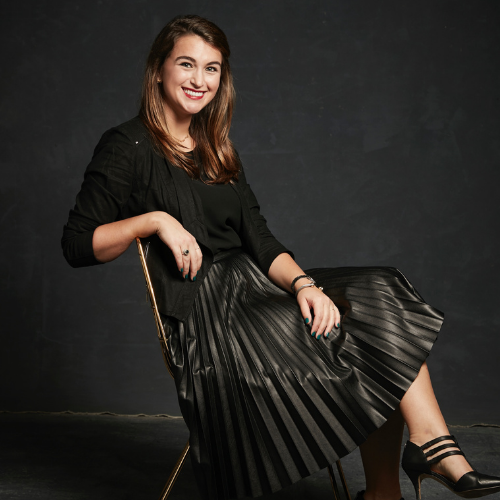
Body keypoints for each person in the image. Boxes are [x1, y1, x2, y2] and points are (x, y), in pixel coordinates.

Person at [62, 14, 500, 500]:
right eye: (186, 64)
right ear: (158, 70)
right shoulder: (127, 145)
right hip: (211, 319)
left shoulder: (216, 148)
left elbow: (261, 239)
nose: (199, 80)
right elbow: (79, 244)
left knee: (380, 294)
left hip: (258, 293)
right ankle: (412, 472)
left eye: (213, 69)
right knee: (369, 332)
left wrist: (304, 286)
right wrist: (154, 221)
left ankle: (414, 464)